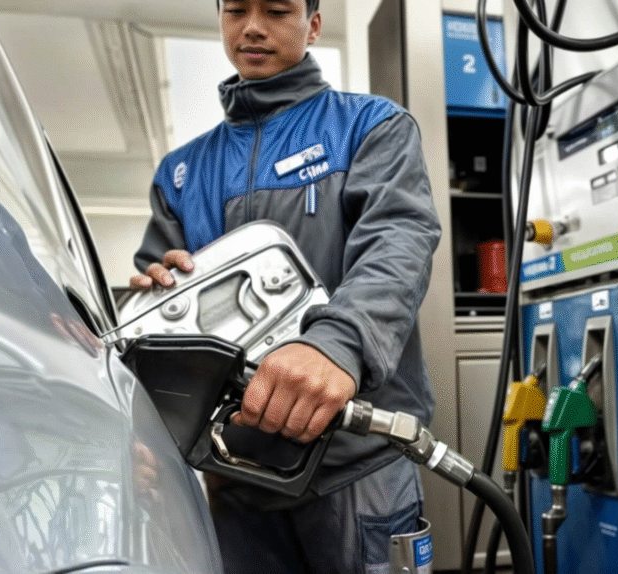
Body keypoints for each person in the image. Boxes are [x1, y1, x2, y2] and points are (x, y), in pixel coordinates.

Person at [128, 0, 441, 572]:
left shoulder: (370, 126)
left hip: (357, 458)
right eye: (235, 10)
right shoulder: (181, 173)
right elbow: (152, 328)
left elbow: (398, 242)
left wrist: (336, 345)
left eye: (276, 10)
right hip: (234, 472)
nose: (252, 27)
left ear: (313, 25)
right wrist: (158, 291)